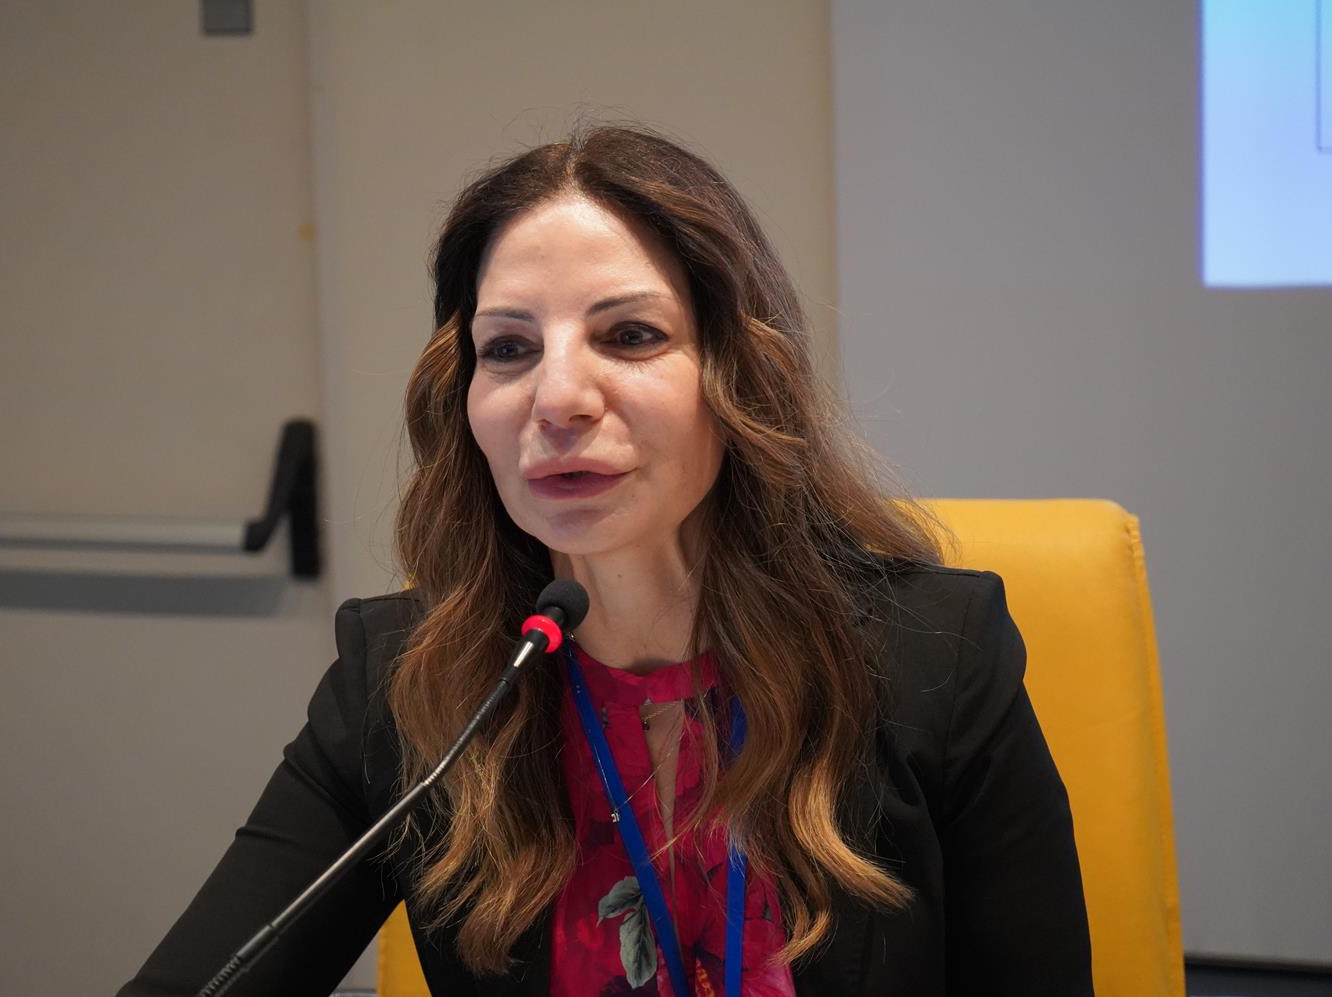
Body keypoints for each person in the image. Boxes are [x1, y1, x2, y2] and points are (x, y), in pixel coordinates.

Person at [119, 124, 1092, 996]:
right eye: (508, 348)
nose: (557, 398)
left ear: (739, 378)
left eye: (629, 335)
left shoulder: (936, 659)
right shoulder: (406, 685)